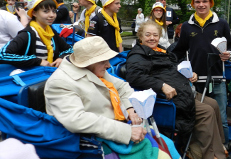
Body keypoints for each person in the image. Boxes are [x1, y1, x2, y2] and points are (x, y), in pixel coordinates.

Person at [44, 36, 179, 158]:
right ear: (87, 62)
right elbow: (77, 120)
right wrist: (126, 132)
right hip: (94, 140)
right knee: (161, 154)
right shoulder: (59, 83)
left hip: (117, 126)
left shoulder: (93, 69)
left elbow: (122, 87)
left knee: (167, 143)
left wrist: (130, 108)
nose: (108, 65)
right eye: (103, 61)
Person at [126, 20, 226, 159]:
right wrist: (161, 85)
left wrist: (190, 74)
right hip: (168, 98)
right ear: (141, 37)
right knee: (206, 111)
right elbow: (134, 76)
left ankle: (218, 146)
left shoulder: (161, 50)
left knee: (213, 104)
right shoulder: (138, 54)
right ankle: (210, 155)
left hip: (183, 90)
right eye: (147, 35)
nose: (152, 38)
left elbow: (174, 68)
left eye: (155, 35)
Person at [172, 0, 231, 146]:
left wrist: (229, 54)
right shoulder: (187, 26)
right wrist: (181, 68)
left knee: (221, 117)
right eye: (198, 2)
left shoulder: (221, 24)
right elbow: (179, 51)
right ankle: (200, 147)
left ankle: (223, 147)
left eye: (204, 1)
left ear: (211, 3)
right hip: (195, 80)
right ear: (193, 4)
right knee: (198, 116)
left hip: (217, 79)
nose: (201, 5)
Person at [0, 0, 73, 68]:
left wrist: (62, 57)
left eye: (54, 11)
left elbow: (69, 49)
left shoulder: (51, 33)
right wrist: (38, 61)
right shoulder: (27, 34)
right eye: (46, 11)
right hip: (31, 77)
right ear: (34, 13)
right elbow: (3, 54)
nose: (52, 15)